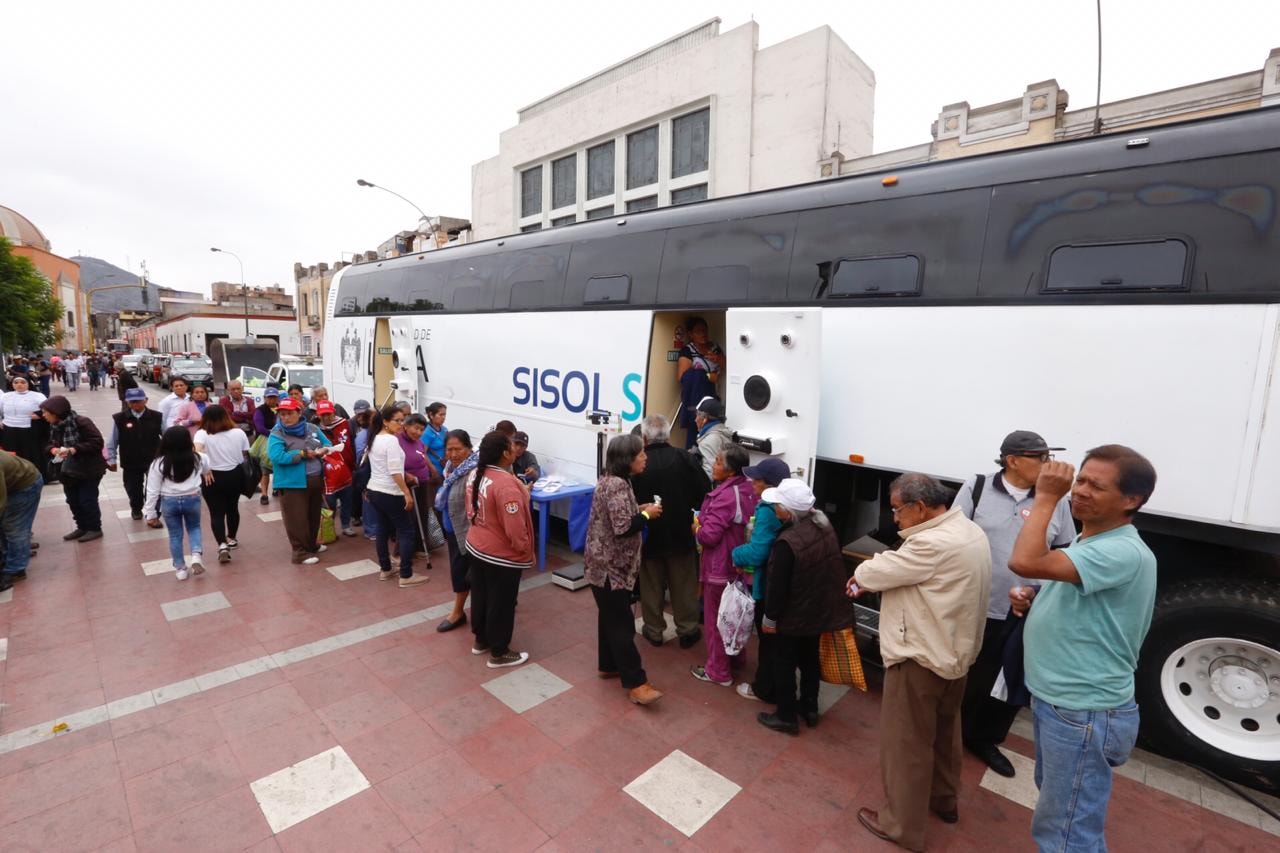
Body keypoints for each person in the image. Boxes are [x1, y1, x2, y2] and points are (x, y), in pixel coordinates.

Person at [1009, 446, 1158, 853]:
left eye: (1097, 485)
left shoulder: (1121, 550)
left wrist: (1045, 497)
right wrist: (1035, 598)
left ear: (1131, 500)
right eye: (1081, 480)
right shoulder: (1090, 539)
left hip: (1083, 711)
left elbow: (1024, 560)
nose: (1080, 491)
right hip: (1066, 704)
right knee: (1061, 811)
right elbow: (1081, 597)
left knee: (1067, 833)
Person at [851, 474, 991, 853]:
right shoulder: (970, 530)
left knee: (906, 743)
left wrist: (875, 565)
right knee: (945, 733)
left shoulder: (930, 543)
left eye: (897, 510)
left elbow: (870, 573)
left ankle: (901, 825)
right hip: (956, 654)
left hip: (920, 656)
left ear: (921, 507)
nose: (895, 519)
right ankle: (944, 800)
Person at [953, 430, 1075, 779]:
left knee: (1008, 680)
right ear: (1012, 461)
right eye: (1041, 457)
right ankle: (950, 734)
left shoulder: (1055, 500)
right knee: (963, 674)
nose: (1048, 464)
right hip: (975, 603)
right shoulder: (977, 487)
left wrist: (1039, 593)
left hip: (1024, 610)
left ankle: (984, 739)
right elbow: (952, 539)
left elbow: (1063, 550)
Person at [752, 479, 853, 735]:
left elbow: (777, 588)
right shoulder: (824, 526)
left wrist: (769, 619)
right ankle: (810, 708)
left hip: (793, 613)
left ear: (788, 511)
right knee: (809, 659)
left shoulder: (787, 542)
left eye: (778, 504)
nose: (775, 508)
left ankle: (786, 716)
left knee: (784, 662)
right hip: (818, 610)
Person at [584, 433, 665, 705]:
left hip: (602, 566)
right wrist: (647, 515)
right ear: (626, 459)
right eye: (640, 454)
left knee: (609, 617)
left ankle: (608, 665)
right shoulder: (618, 485)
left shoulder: (613, 480)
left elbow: (616, 515)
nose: (645, 457)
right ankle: (636, 683)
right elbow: (622, 527)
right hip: (611, 569)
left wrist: (639, 508)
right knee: (622, 624)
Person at [629, 413, 709, 648]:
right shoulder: (685, 458)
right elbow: (704, 492)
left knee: (651, 585)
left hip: (648, 534)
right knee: (684, 585)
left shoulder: (638, 462)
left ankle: (654, 630)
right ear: (668, 434)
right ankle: (688, 630)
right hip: (680, 532)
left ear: (644, 438)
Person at [691, 444, 758, 687]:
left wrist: (697, 527)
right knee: (736, 615)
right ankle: (737, 659)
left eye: (718, 462)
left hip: (719, 568)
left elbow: (709, 536)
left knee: (718, 621)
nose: (714, 465)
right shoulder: (751, 489)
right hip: (740, 566)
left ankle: (718, 672)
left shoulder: (725, 496)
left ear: (731, 471)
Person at [464, 430, 533, 668]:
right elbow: (514, 527)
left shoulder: (475, 473)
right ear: (504, 453)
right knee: (502, 602)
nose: (515, 449)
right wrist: (523, 547)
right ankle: (499, 651)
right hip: (500, 554)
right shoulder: (505, 485)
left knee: (481, 595)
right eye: (511, 446)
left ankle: (481, 639)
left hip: (477, 544)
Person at [730, 456, 791, 703]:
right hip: (786, 584)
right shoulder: (790, 506)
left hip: (767, 584)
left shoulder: (767, 510)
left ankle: (764, 688)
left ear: (769, 485)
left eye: (757, 479)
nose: (752, 483)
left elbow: (758, 553)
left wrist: (735, 554)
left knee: (768, 641)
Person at [364, 404, 428, 587]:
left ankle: (385, 569)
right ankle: (406, 575)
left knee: (382, 530)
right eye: (397, 420)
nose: (401, 424)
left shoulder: (375, 438)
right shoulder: (391, 440)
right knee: (406, 531)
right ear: (385, 421)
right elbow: (394, 470)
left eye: (402, 420)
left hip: (375, 489)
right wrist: (406, 492)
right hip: (390, 491)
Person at [267, 396, 332, 565]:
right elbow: (276, 456)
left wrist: (325, 449)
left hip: (314, 480)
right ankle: (299, 552)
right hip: (291, 483)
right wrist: (301, 454)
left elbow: (327, 443)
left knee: (313, 515)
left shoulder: (311, 427)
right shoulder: (277, 433)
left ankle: (311, 545)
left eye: (289, 413)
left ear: (299, 412)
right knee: (296, 519)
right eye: (282, 414)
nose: (285, 417)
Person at [144, 426, 211, 580]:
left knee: (175, 535)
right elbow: (207, 469)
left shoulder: (158, 463)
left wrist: (150, 513)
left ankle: (180, 569)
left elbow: (152, 490)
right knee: (194, 528)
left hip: (169, 500)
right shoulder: (199, 458)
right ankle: (196, 555)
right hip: (192, 497)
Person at [40, 395, 107, 542]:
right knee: (72, 500)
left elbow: (97, 442)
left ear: (56, 412)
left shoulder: (82, 422)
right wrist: (52, 449)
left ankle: (94, 528)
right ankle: (82, 527)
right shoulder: (53, 426)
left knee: (86, 500)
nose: (43, 415)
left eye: (46, 412)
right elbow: (46, 443)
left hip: (89, 468)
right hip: (68, 471)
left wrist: (74, 449)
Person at [194, 404, 251, 563]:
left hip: (212, 477)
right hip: (235, 475)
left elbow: (197, 452)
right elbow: (245, 453)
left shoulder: (202, 433)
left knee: (216, 513)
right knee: (233, 508)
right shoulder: (238, 432)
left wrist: (206, 468)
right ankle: (232, 538)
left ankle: (222, 545)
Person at [434, 428, 476, 632]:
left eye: (458, 449)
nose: (453, 454)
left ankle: (459, 612)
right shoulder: (450, 468)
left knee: (466, 573)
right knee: (458, 571)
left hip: (469, 533)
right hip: (452, 529)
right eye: (449, 449)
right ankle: (461, 612)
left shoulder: (474, 471)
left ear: (469, 448)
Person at [106, 388, 164, 520]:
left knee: (154, 488)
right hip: (130, 460)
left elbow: (167, 436)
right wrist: (111, 459)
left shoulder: (157, 417)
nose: (135, 404)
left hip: (153, 459)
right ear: (127, 402)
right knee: (133, 488)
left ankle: (153, 512)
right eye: (132, 402)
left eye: (138, 401)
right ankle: (136, 508)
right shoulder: (119, 418)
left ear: (145, 400)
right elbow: (112, 441)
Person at [677, 317, 725, 448]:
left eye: (704, 330)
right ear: (690, 334)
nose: (703, 334)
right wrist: (707, 376)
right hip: (696, 400)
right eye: (698, 331)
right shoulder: (688, 351)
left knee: (713, 432)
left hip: (714, 396)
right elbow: (682, 377)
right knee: (696, 435)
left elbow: (728, 365)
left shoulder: (714, 347)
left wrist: (718, 359)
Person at [0, 450, 43, 592]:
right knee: (5, 527)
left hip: (26, 485)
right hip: (12, 483)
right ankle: (8, 558)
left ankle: (15, 570)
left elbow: (0, 501)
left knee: (14, 528)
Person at [399, 413, 438, 564]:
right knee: (409, 519)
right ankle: (403, 552)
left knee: (422, 515)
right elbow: (393, 464)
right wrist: (406, 475)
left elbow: (423, 455)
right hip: (408, 485)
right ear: (406, 426)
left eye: (422, 429)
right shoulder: (397, 441)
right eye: (416, 428)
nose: (419, 432)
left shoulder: (418, 442)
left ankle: (418, 547)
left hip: (423, 482)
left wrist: (431, 468)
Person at [315, 401, 357, 537]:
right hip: (328, 474)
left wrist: (354, 463)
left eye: (328, 414)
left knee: (347, 500)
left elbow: (353, 443)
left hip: (346, 469)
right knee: (330, 503)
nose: (326, 417)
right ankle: (329, 529)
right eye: (322, 415)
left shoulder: (345, 424)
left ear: (333, 412)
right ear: (318, 415)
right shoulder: (315, 430)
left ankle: (346, 526)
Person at [0, 375, 48, 477]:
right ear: (12, 384)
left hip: (29, 429)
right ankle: (14, 477)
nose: (19, 385)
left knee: (30, 454)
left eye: (23, 382)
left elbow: (48, 409)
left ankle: (34, 476)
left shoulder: (37, 396)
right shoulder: (5, 396)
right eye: (16, 382)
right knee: (12, 455)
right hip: (9, 429)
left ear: (28, 383)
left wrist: (39, 415)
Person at [691, 396, 733, 481]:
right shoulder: (723, 432)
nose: (695, 420)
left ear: (704, 419)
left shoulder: (708, 441)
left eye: (697, 416)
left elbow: (708, 475)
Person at [252, 386, 281, 503]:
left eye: (274, 397)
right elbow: (260, 427)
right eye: (269, 397)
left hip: (279, 441)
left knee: (278, 466)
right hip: (265, 442)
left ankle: (276, 488)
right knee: (265, 470)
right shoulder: (260, 410)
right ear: (264, 398)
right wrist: (274, 434)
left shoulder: (281, 409)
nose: (272, 400)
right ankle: (264, 494)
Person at [350, 399, 374, 534]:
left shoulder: (373, 428)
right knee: (360, 492)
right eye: (358, 414)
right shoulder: (351, 425)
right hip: (359, 466)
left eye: (364, 414)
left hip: (369, 467)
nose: (361, 417)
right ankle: (356, 516)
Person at [423, 402, 448, 476]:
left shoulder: (444, 429)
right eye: (440, 415)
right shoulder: (426, 432)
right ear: (431, 415)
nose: (443, 417)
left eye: (444, 414)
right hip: (434, 470)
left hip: (444, 468)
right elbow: (423, 453)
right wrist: (432, 468)